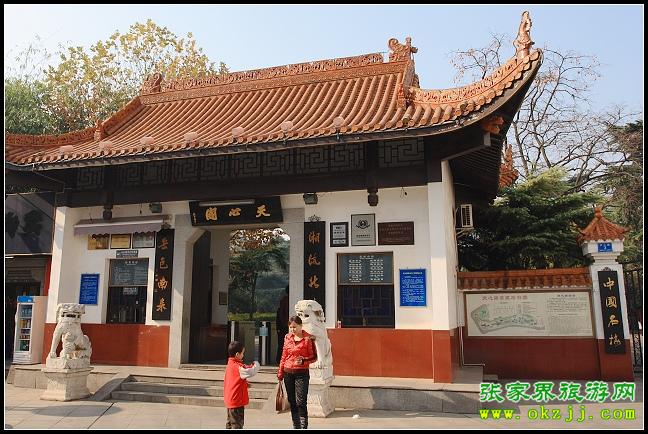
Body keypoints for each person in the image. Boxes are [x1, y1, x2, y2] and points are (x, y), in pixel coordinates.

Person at [277, 315, 317, 429]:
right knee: (292, 401)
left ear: (301, 326)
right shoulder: (287, 338)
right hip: (288, 373)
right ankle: (296, 425)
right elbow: (284, 356)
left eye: (294, 327)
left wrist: (304, 360)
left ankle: (303, 426)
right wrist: (280, 372)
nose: (292, 329)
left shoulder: (308, 339)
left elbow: (314, 357)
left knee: (301, 402)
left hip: (302, 373)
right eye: (290, 327)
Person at [223, 341, 260, 429]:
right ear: (237, 354)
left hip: (231, 399)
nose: (243, 355)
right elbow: (251, 371)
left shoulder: (230, 365)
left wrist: (245, 384)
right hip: (237, 401)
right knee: (237, 424)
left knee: (230, 423)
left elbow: (233, 380)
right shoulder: (238, 367)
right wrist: (256, 364)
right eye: (242, 353)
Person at [275, 285, 289, 364]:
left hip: (284, 325)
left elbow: (281, 314)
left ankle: (279, 359)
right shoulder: (286, 301)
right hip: (285, 326)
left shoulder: (283, 300)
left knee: (281, 343)